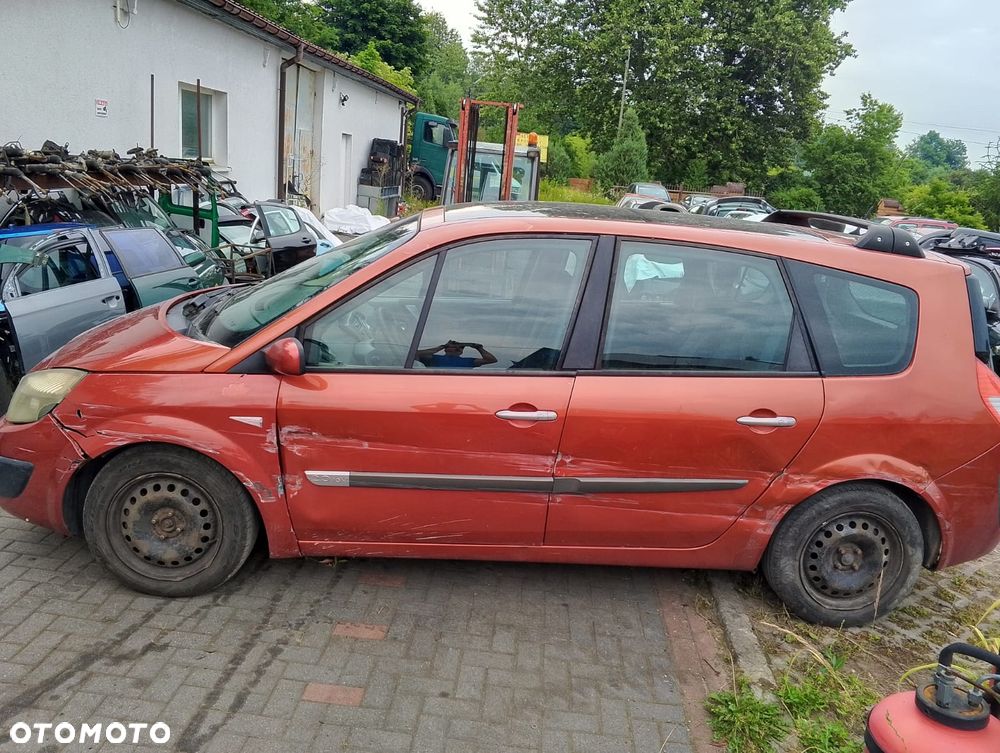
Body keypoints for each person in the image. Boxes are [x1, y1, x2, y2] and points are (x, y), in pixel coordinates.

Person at [417, 340, 497, 368]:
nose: (455, 349)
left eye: (459, 347)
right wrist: (442, 346)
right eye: (451, 347)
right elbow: (415, 354)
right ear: (445, 349)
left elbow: (491, 360)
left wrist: (479, 348)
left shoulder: (469, 361)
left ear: (461, 351)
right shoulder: (434, 358)